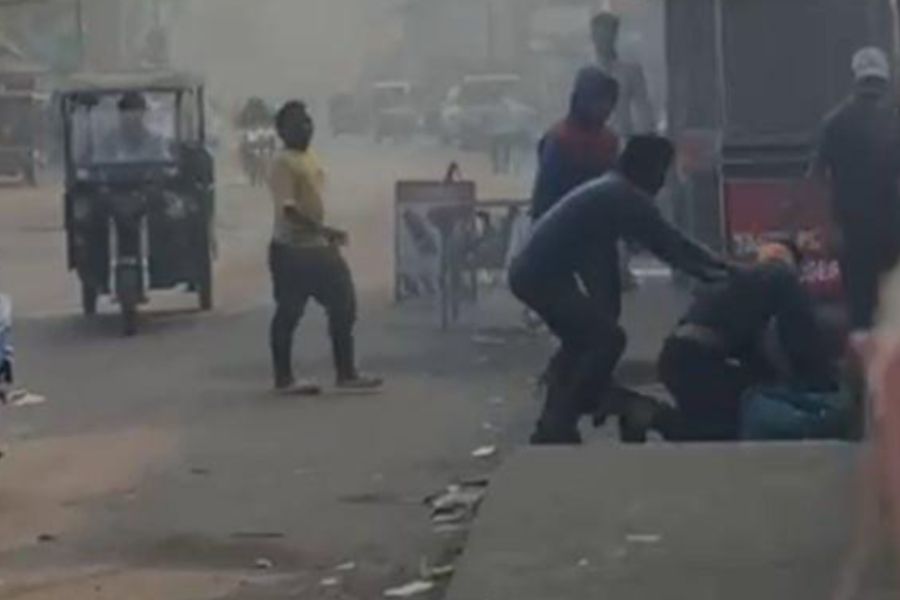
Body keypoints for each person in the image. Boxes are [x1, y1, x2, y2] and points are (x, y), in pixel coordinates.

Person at [509, 135, 731, 445]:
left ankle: (556, 421)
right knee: (607, 339)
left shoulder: (609, 189)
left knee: (584, 341)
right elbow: (670, 245)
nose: (662, 184)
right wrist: (724, 272)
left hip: (535, 273)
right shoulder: (622, 195)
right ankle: (570, 411)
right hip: (539, 276)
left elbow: (603, 271)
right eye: (661, 173)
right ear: (647, 168)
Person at [657, 242, 836, 441]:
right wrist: (821, 385)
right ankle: (654, 416)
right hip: (699, 361)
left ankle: (651, 416)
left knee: (707, 426)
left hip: (674, 358)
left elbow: (752, 354)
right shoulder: (783, 278)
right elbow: (801, 340)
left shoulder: (736, 283)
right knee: (736, 422)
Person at [267, 100, 382, 394]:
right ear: (282, 131)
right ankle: (284, 379)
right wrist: (324, 230)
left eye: (308, 122)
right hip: (292, 249)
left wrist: (323, 233)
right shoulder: (283, 163)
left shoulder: (309, 157)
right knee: (289, 312)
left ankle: (346, 372)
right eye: (298, 124)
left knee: (344, 304)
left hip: (317, 247)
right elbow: (289, 211)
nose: (306, 128)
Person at [810, 47, 900, 329]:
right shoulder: (894, 121)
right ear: (885, 81)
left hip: (852, 233)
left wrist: (829, 228)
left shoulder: (834, 122)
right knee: (892, 308)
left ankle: (863, 352)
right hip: (892, 231)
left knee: (860, 310)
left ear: (856, 80)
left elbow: (818, 178)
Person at [530, 66, 620, 221]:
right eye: (599, 100)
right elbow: (544, 200)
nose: (605, 107)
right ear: (581, 100)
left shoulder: (610, 141)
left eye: (609, 101)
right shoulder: (560, 139)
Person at [590, 11, 656, 138]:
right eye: (600, 36)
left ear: (615, 35)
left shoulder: (630, 71)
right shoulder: (586, 73)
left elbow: (643, 108)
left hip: (623, 138)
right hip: (594, 141)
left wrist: (643, 137)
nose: (604, 40)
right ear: (593, 37)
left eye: (608, 35)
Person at [96, 92, 170, 163]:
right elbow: (99, 163)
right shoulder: (109, 142)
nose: (132, 118)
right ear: (121, 115)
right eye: (127, 114)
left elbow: (165, 165)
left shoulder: (155, 141)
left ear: (143, 114)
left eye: (136, 113)